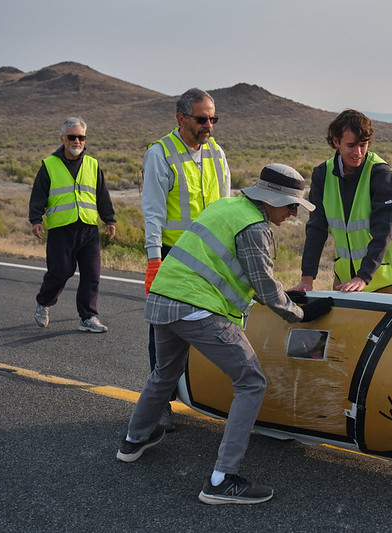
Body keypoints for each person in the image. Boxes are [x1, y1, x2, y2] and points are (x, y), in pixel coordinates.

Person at [116, 164, 333, 505]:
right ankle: (221, 479)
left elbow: (240, 273)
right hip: (196, 308)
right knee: (251, 382)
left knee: (166, 372)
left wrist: (285, 296)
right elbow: (262, 284)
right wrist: (299, 313)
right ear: (272, 199)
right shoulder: (254, 226)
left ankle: (132, 441)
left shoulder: (226, 207)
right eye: (291, 205)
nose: (294, 213)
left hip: (163, 300)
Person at [142, 88, 232, 430]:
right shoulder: (160, 153)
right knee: (164, 332)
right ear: (181, 119)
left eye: (213, 118)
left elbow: (225, 207)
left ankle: (211, 394)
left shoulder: (217, 153)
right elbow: (153, 212)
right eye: (202, 118)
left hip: (210, 258)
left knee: (214, 324)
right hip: (173, 257)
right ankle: (159, 405)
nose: (208, 124)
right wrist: (154, 261)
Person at [289, 109, 392, 294]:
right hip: (346, 277)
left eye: (363, 145)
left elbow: (384, 229)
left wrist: (363, 276)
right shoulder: (322, 174)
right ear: (336, 142)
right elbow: (316, 228)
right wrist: (307, 278)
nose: (358, 152)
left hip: (385, 276)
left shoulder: (381, 174)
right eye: (351, 145)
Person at [29, 117, 116, 333]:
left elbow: (102, 195)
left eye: (81, 137)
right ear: (62, 138)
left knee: (92, 274)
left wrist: (110, 219)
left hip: (88, 227)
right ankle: (43, 302)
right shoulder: (49, 164)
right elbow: (39, 194)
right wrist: (36, 220)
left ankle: (88, 317)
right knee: (60, 272)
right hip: (61, 229)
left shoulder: (93, 164)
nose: (77, 141)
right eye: (72, 137)